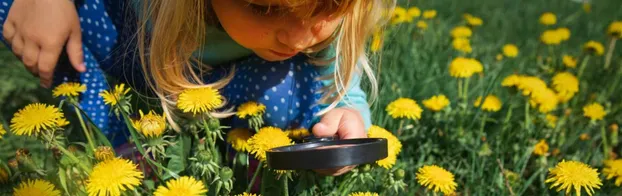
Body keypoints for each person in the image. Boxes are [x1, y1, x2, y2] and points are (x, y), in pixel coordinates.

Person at [0, 0, 393, 176]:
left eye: (328, 8)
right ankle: (121, 141)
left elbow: (336, 90)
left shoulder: (317, 26)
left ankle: (239, 159)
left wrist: (345, 113)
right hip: (127, 43)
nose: (299, 36)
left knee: (299, 98)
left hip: (234, 81)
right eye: (266, 8)